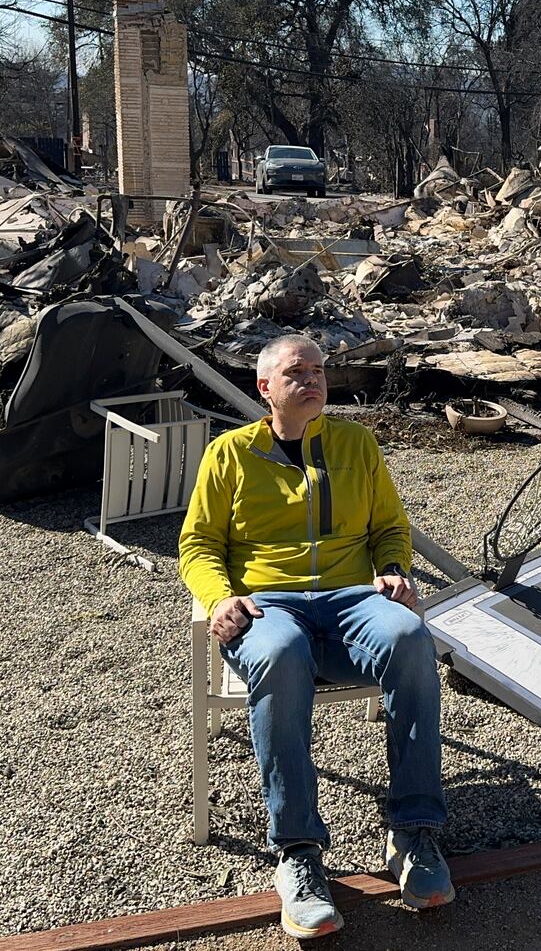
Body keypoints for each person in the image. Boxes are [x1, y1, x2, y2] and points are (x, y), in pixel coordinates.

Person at [179, 334, 451, 940]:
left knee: (410, 634)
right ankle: (298, 851)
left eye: (320, 370)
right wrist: (220, 598)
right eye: (297, 371)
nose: (313, 380)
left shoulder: (356, 443)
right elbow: (198, 545)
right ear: (265, 388)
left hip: (351, 601)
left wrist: (395, 570)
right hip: (267, 606)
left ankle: (414, 833)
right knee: (279, 651)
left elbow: (389, 527)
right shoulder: (230, 454)